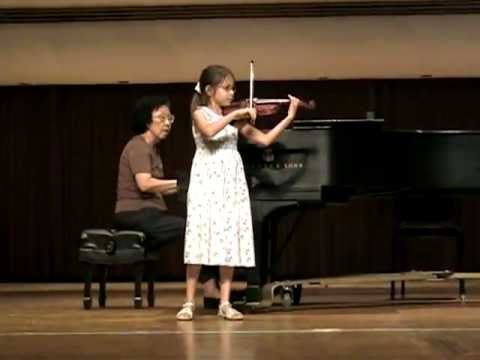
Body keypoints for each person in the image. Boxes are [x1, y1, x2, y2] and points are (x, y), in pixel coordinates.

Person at [176, 65, 300, 321]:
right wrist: (233, 117)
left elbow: (264, 140)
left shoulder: (234, 119)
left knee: (227, 238)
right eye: (227, 88)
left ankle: (225, 302)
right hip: (206, 180)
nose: (232, 93)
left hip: (230, 182)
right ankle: (188, 302)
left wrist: (288, 117)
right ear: (210, 90)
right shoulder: (200, 113)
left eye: (234, 88)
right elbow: (209, 132)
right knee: (200, 235)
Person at [113, 95, 220, 300]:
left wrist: (193, 188)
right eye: (161, 118)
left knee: (200, 226)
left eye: (169, 118)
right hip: (133, 214)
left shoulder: (152, 149)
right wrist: (184, 185)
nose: (167, 123)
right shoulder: (138, 146)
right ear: (146, 120)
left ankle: (210, 287)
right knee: (191, 228)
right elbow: (145, 184)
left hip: (148, 214)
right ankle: (209, 289)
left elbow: (163, 188)